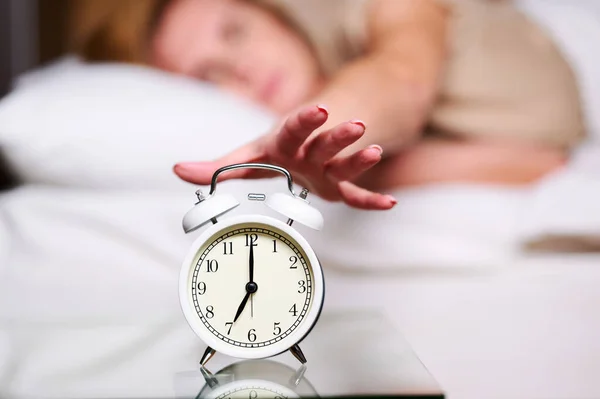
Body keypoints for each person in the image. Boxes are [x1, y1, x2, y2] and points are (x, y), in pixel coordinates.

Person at [70, 0, 586, 210]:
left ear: (269, 10)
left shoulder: (375, 9)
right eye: (210, 76)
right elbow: (537, 161)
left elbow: (402, 77)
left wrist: (316, 135)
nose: (242, 67)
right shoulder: (347, 168)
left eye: (236, 32)